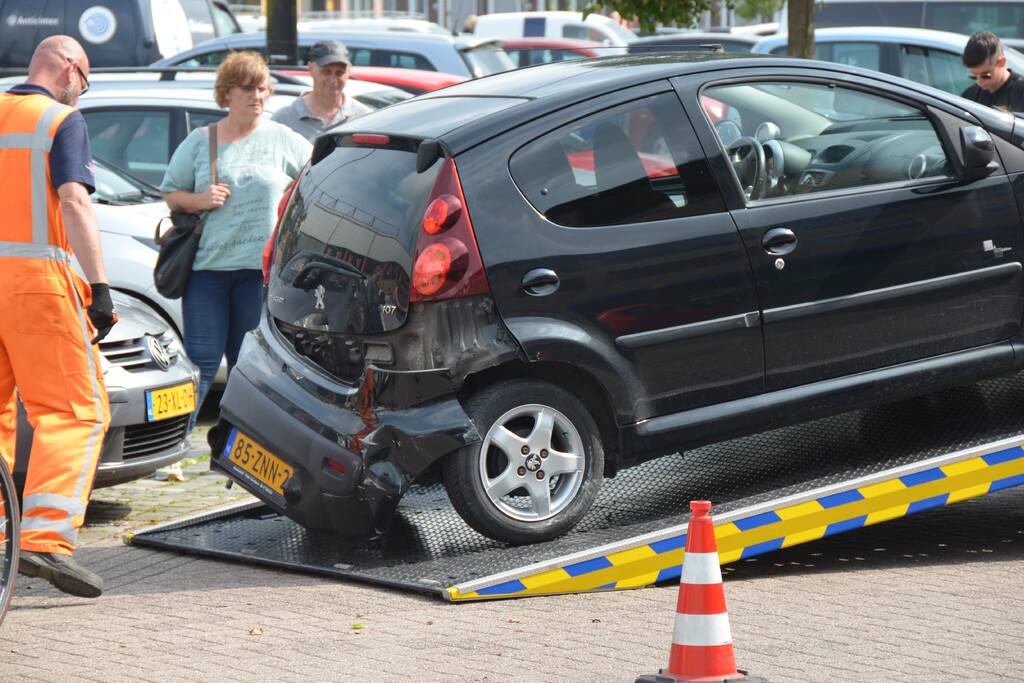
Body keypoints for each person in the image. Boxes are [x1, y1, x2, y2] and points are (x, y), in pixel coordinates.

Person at [0, 35, 116, 598]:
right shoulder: (59, 121)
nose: (82, 93)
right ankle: (45, 537)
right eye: (86, 81)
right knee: (77, 410)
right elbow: (74, 200)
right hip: (35, 286)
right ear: (69, 67)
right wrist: (100, 289)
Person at [160, 51, 310, 422]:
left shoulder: (283, 139)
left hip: (258, 273)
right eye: (246, 88)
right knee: (201, 360)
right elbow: (170, 193)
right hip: (207, 271)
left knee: (249, 367)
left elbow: (315, 179)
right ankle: (176, 442)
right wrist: (200, 199)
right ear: (226, 93)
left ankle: (241, 446)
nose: (256, 96)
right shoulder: (202, 141)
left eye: (262, 88)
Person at [271, 40, 371, 141]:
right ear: (310, 68)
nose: (333, 80)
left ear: (348, 72)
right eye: (326, 72)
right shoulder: (284, 119)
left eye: (339, 73)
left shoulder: (364, 118)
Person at [960, 31, 1024, 112]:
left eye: (986, 75)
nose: (979, 81)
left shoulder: (1021, 92)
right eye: (974, 76)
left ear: (1001, 62)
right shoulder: (969, 96)